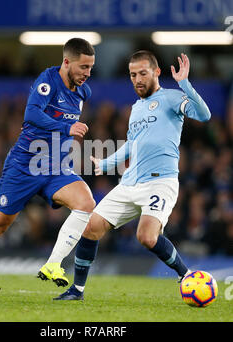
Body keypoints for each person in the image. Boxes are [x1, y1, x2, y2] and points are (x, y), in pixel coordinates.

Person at [0, 38, 96, 287]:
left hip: (55, 167)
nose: (87, 73)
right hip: (25, 164)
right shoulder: (48, 80)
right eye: (83, 67)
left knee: (86, 202)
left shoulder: (83, 92)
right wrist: (67, 128)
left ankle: (53, 264)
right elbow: (31, 115)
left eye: (90, 68)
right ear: (66, 62)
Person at [55, 51, 211, 300]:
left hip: (160, 181)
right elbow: (131, 144)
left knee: (146, 236)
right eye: (132, 75)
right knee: (91, 227)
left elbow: (204, 115)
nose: (137, 79)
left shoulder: (171, 98)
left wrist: (184, 83)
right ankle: (77, 290)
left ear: (156, 72)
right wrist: (106, 163)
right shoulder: (136, 108)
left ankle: (186, 275)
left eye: (142, 73)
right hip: (130, 182)